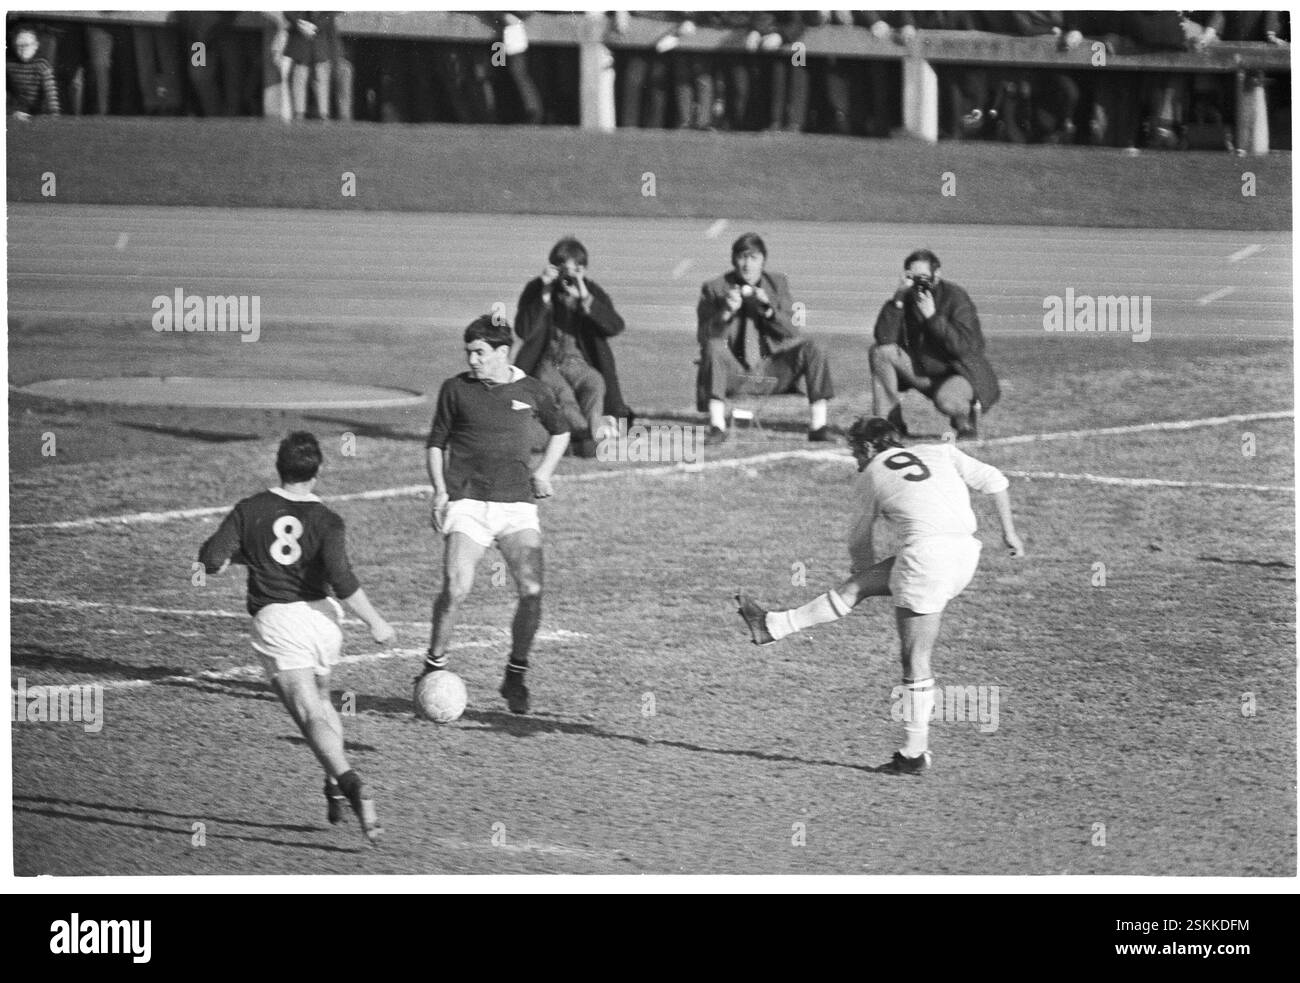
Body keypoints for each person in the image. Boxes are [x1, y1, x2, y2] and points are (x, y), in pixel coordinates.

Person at [736, 416, 1024, 774]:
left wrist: (861, 565)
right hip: (965, 553)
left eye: (856, 449)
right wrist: (1009, 534)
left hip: (926, 560)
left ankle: (913, 755)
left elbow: (859, 538)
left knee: (915, 659)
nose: (856, 457)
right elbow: (996, 480)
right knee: (856, 589)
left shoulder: (871, 472)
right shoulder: (939, 450)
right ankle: (772, 626)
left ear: (870, 447)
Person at [198, 431, 393, 844]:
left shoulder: (251, 509)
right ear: (318, 471)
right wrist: (376, 622)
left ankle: (350, 779)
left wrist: (243, 551)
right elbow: (341, 580)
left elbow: (213, 560)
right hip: (324, 622)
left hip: (279, 624)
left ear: (278, 466)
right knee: (323, 701)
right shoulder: (328, 520)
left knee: (309, 716)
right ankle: (335, 782)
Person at [416, 314, 571, 715]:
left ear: (503, 353)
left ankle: (515, 673)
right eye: (469, 352)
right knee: (456, 587)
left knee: (532, 592)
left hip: (517, 506)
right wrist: (439, 493)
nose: (473, 360)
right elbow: (436, 443)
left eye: (480, 353)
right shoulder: (455, 390)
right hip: (468, 502)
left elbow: (563, 429)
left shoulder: (532, 390)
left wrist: (544, 472)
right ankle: (433, 664)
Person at [696, 232, 835, 444]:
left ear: (763, 261)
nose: (747, 265)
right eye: (742, 258)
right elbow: (704, 338)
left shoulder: (777, 284)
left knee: (814, 346)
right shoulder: (714, 288)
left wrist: (769, 310)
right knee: (714, 346)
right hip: (733, 372)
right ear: (734, 260)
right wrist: (725, 313)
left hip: (772, 372)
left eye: (754, 258)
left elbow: (792, 331)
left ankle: (819, 426)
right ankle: (717, 427)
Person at [514, 237, 631, 457]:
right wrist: (545, 294)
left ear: (582, 269)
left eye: (572, 271)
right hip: (547, 362)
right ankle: (583, 436)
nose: (566, 278)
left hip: (579, 361)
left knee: (595, 383)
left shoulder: (591, 290)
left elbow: (615, 326)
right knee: (564, 395)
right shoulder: (537, 289)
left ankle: (587, 435)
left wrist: (585, 298)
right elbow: (523, 330)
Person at [869, 248, 999, 440]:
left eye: (923, 276)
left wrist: (932, 317)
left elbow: (965, 347)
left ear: (936, 275)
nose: (918, 283)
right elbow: (884, 340)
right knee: (880, 353)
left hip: (959, 373)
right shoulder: (906, 297)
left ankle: (965, 421)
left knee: (947, 401)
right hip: (924, 371)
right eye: (912, 277)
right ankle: (889, 425)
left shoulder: (956, 297)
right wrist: (897, 300)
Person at [7, 25, 61, 119]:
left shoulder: (42, 66)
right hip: (15, 113)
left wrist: (54, 116)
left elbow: (51, 95)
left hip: (37, 114)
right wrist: (12, 113)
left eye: (27, 45)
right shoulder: (8, 66)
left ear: (35, 46)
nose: (23, 49)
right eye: (19, 45)